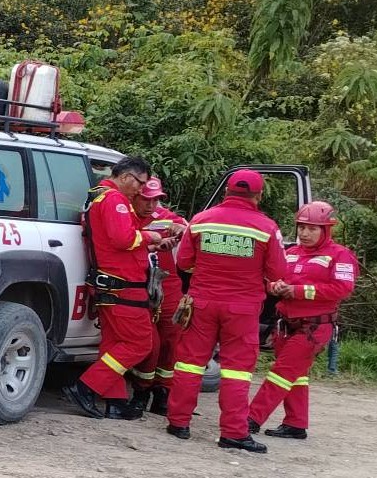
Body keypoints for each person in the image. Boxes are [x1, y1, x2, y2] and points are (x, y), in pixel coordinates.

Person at [166, 169, 287, 452]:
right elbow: (278, 271)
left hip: (202, 302)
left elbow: (183, 263)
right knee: (236, 371)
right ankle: (233, 432)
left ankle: (178, 423)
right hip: (243, 309)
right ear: (258, 195)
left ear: (226, 193)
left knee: (188, 363)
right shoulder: (266, 228)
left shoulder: (200, 220)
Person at [62, 156, 164, 420]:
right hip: (122, 286)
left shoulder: (99, 197)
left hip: (110, 284)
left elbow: (116, 239)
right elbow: (123, 238)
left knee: (113, 344)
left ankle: (115, 401)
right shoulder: (114, 199)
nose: (141, 191)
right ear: (128, 177)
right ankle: (85, 387)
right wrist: (150, 237)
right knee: (141, 344)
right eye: (140, 184)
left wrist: (146, 238)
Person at [248, 201, 358, 439]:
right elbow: (270, 278)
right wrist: (274, 286)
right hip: (285, 324)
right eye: (302, 227)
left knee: (281, 372)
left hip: (315, 326)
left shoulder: (340, 255)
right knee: (295, 375)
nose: (305, 233)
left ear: (326, 230)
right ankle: (296, 424)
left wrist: (299, 291)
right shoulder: (290, 254)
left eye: (313, 228)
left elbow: (343, 288)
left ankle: (251, 419)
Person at [127, 177, 188, 416]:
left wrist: (183, 230)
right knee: (149, 343)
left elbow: (194, 233)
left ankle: (163, 393)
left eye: (157, 200)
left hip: (168, 284)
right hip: (138, 283)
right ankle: (141, 390)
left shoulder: (168, 218)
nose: (152, 205)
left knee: (172, 340)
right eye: (146, 199)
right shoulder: (124, 216)